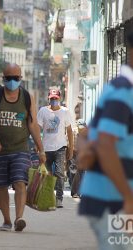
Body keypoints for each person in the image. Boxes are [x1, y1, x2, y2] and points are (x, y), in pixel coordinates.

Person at [78, 32, 133, 250]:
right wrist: (129, 198)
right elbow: (105, 144)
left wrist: (85, 153)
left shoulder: (119, 88)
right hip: (114, 202)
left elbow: (87, 134)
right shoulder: (124, 91)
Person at [0, 63, 46, 232]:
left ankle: (19, 218)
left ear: (20, 78)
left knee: (20, 182)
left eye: (16, 78)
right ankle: (7, 220)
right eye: (9, 78)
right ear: (3, 79)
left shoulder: (27, 97)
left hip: (20, 149)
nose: (12, 81)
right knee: (1, 185)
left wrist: (41, 149)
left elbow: (32, 125)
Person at [37, 89, 74, 208]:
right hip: (46, 148)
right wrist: (38, 147)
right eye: (52, 99)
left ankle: (59, 198)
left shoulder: (65, 111)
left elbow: (69, 131)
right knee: (47, 174)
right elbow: (37, 129)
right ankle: (47, 197)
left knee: (59, 173)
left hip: (60, 147)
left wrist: (71, 149)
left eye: (56, 99)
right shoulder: (43, 111)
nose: (54, 101)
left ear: (59, 98)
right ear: (48, 98)